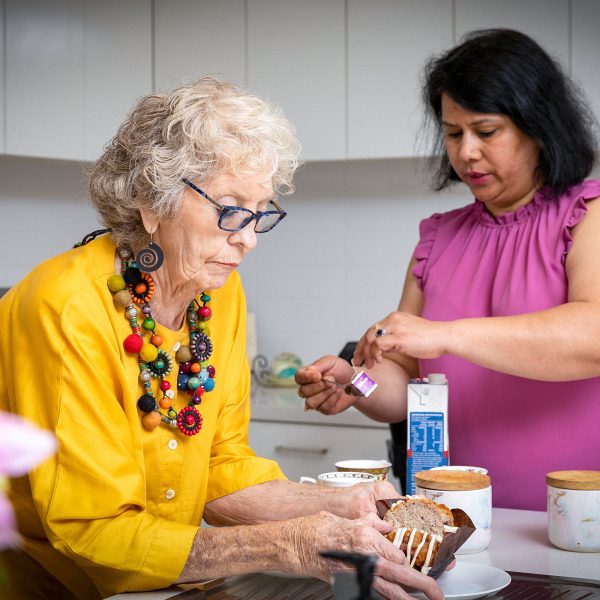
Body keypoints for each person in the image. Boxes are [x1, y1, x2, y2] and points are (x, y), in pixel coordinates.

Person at [0, 78, 443, 600]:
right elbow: (89, 529)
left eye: (260, 213)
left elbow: (220, 463)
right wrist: (289, 545)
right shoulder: (66, 306)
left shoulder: (217, 294)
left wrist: (338, 505)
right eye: (230, 208)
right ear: (152, 201)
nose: (249, 239)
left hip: (164, 587)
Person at [297, 29, 600, 512]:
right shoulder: (437, 239)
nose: (466, 153)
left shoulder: (588, 214)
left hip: (580, 512)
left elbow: (593, 335)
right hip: (455, 514)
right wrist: (356, 382)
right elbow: (406, 384)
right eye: (453, 133)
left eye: (486, 131)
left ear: (538, 126)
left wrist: (445, 335)